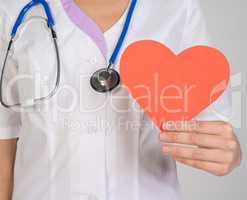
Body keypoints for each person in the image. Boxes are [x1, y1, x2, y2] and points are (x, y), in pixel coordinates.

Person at [0, 0, 242, 200]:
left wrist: (229, 153)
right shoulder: (14, 10)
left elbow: (212, 127)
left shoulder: (177, 8)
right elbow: (4, 137)